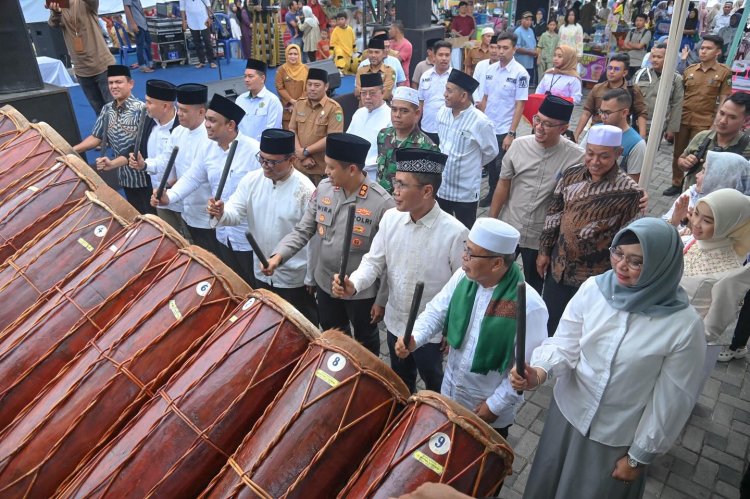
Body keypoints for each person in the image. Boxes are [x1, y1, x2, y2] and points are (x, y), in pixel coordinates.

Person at [511, 218, 706, 499]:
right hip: (567, 416)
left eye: (637, 261)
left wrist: (639, 456)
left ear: (661, 265)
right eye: (618, 253)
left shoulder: (683, 327)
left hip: (616, 437)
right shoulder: (595, 289)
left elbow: (672, 400)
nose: (621, 267)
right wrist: (540, 371)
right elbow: (566, 342)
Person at [396, 217, 548, 437]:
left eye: (471, 254)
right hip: (451, 394)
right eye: (465, 249)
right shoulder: (463, 277)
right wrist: (415, 337)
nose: (463, 257)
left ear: (497, 263)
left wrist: (495, 406)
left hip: (486, 409)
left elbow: (525, 369)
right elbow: (436, 311)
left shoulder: (529, 306)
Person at [334, 148, 468, 393]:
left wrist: (451, 328)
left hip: (431, 333)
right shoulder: (390, 219)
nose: (394, 190)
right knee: (401, 384)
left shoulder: (455, 233)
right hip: (396, 323)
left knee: (434, 384)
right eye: (395, 182)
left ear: (427, 191)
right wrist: (354, 284)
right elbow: (373, 261)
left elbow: (463, 288)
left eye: (403, 185)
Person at [265, 133, 395, 355]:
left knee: (365, 340)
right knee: (333, 334)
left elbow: (388, 260)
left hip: (360, 294)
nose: (325, 172)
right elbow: (303, 230)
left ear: (352, 169)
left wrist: (381, 300)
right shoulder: (324, 189)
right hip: (325, 283)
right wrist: (278, 256)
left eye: (331, 167)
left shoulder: (382, 204)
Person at [538, 125, 642, 336]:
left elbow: (628, 240)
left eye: (603, 156)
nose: (595, 161)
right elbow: (554, 213)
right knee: (548, 326)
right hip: (559, 271)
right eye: (590, 153)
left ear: (618, 153)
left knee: (580, 332)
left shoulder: (629, 191)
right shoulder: (571, 175)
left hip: (595, 280)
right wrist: (544, 251)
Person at [208, 128, 318, 323]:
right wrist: (222, 213)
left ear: (291, 160)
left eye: (273, 162)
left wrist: (310, 277)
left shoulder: (306, 190)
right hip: (261, 269)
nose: (266, 166)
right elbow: (235, 212)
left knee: (299, 325)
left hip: (294, 277)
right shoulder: (252, 180)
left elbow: (313, 238)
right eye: (262, 159)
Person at [152, 94, 261, 285]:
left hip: (248, 238)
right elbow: (193, 177)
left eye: (212, 121)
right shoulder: (208, 148)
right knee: (231, 283)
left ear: (231, 125)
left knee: (255, 286)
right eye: (207, 120)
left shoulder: (253, 151)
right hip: (222, 233)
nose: (207, 125)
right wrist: (169, 197)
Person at [490, 96, 584, 293]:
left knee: (533, 286)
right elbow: (503, 184)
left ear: (563, 128)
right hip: (510, 226)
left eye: (548, 124)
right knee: (495, 279)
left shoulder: (577, 157)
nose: (539, 127)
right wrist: (492, 221)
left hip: (540, 238)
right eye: (537, 120)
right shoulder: (518, 146)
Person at [145, 83, 219, 254]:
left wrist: (170, 191)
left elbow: (195, 177)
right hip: (187, 211)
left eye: (184, 110)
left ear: (201, 112)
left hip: (208, 215)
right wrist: (145, 165)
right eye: (178, 109)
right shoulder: (178, 132)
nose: (179, 114)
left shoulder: (210, 139)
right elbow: (166, 162)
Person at [681, 189, 750, 373]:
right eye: (696, 213)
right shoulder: (693, 240)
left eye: (707, 221)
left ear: (729, 224)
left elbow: (711, 330)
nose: (696, 223)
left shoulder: (731, 272)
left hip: (684, 347)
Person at [73, 65, 154, 215]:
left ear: (131, 84)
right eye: (110, 83)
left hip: (145, 177)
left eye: (118, 82)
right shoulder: (107, 109)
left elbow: (143, 146)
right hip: (124, 177)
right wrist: (72, 150)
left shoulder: (142, 110)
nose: (114, 86)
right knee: (136, 217)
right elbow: (97, 137)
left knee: (153, 218)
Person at [667, 34, 732, 196]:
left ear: (718, 51)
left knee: (699, 156)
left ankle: (694, 187)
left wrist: (715, 124)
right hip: (683, 119)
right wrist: (671, 120)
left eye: (708, 48)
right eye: (702, 48)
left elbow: (724, 100)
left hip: (704, 122)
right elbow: (678, 97)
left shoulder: (724, 73)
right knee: (678, 153)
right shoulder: (690, 71)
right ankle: (676, 183)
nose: (703, 51)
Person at [437, 69, 499, 228]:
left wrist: (472, 164)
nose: (445, 94)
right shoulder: (442, 113)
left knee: (464, 232)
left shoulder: (480, 122)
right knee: (441, 229)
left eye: (449, 91)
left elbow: (491, 152)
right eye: (445, 89)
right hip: (442, 187)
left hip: (465, 192)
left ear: (464, 96)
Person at [127, 80, 188, 236]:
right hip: (158, 198)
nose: (145, 105)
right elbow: (161, 160)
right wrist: (142, 165)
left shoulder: (182, 129)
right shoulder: (148, 121)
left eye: (149, 102)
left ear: (165, 106)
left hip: (183, 200)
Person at [475, 32, 529, 208]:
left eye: (506, 48)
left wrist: (511, 133)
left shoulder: (520, 73)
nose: (501, 51)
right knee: (489, 165)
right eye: (499, 47)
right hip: (488, 126)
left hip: (504, 128)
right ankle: (493, 194)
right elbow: (485, 98)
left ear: (514, 49)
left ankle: (500, 198)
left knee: (501, 167)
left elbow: (520, 105)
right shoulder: (490, 70)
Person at [47, 0, 116, 115]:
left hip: (103, 65)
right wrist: (56, 12)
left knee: (114, 108)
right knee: (99, 111)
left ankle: (123, 132)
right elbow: (52, 24)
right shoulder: (61, 7)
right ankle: (105, 132)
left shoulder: (84, 3)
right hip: (81, 69)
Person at [677, 93, 750, 190]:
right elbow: (682, 160)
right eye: (722, 113)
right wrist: (685, 163)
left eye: (732, 117)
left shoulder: (747, 147)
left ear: (746, 121)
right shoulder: (703, 137)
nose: (723, 121)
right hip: (691, 200)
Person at [376, 87, 439, 193]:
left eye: (404, 111)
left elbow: (428, 188)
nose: (397, 115)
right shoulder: (383, 135)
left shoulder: (427, 147)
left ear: (417, 113)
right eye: (394, 109)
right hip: (382, 201)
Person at [288, 67, 345, 186]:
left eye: (317, 85)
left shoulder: (334, 108)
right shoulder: (300, 103)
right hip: (299, 167)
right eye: (309, 84)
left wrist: (306, 152)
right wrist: (301, 155)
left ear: (326, 86)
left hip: (320, 170)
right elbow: (292, 129)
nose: (312, 89)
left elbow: (332, 137)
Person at [575, 53, 648, 141]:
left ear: (624, 72)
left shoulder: (632, 89)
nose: (611, 71)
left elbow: (641, 114)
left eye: (616, 69)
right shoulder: (597, 88)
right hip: (596, 132)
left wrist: (641, 138)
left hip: (620, 136)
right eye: (609, 68)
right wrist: (576, 135)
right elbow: (587, 112)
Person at [583, 89, 645, 182]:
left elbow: (634, 181)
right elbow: (580, 159)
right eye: (601, 111)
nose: (602, 116)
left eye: (607, 113)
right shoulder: (594, 130)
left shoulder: (637, 144)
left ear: (624, 113)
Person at [633, 43, 684, 139]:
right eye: (653, 56)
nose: (655, 60)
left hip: (658, 126)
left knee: (650, 152)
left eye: (659, 57)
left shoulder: (675, 79)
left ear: (669, 58)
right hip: (636, 122)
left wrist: (671, 129)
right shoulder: (640, 74)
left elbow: (677, 104)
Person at [347, 73, 392, 181]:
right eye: (363, 93)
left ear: (382, 93)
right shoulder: (359, 113)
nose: (367, 97)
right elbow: (348, 141)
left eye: (372, 93)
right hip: (352, 172)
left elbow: (387, 155)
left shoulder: (390, 117)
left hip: (375, 175)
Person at [235, 58, 283, 141]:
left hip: (262, 150)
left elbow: (272, 133)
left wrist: (252, 146)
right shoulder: (240, 100)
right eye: (245, 76)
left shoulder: (272, 101)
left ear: (262, 78)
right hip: (242, 149)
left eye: (250, 76)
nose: (246, 80)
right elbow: (235, 128)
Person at [418, 40, 453, 145]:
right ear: (434, 56)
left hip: (448, 128)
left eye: (447, 55)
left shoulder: (455, 77)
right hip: (427, 127)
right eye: (440, 55)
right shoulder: (425, 76)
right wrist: (415, 124)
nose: (444, 58)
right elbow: (421, 102)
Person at [275, 44, 308, 130]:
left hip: (302, 107)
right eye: (290, 54)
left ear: (299, 55)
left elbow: (307, 89)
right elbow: (280, 88)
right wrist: (291, 102)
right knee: (288, 134)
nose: (293, 56)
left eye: (295, 54)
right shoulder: (281, 70)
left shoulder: (306, 69)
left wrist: (298, 104)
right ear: (286, 55)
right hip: (287, 108)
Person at [355, 37, 396, 103]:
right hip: (363, 108)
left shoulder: (390, 71)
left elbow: (386, 95)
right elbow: (357, 92)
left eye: (377, 52)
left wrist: (365, 94)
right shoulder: (361, 70)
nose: (373, 55)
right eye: (370, 52)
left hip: (382, 109)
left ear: (383, 54)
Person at [179, 0, 217, 69]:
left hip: (203, 18)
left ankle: (212, 61)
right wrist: (183, 21)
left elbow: (208, 4)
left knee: (207, 40)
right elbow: (182, 8)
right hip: (191, 19)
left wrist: (209, 17)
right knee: (196, 41)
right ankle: (201, 61)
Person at [123, 0, 154, 73]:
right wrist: (133, 24)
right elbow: (126, 8)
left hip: (143, 22)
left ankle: (150, 63)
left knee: (148, 42)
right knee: (140, 45)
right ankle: (142, 65)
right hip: (137, 23)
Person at [622, 14, 652, 79]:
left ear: (645, 22)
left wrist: (630, 43)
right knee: (626, 81)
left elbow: (640, 46)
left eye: (641, 20)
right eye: (637, 20)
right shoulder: (631, 31)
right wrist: (636, 45)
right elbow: (624, 45)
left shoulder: (647, 32)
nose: (638, 22)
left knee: (635, 83)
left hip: (639, 63)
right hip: (628, 61)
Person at [514, 12, 538, 87]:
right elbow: (517, 48)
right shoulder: (518, 31)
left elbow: (534, 44)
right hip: (521, 63)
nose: (529, 21)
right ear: (521, 20)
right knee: (519, 85)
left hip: (530, 63)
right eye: (526, 19)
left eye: (530, 20)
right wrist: (530, 52)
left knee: (526, 86)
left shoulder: (531, 30)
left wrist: (535, 51)